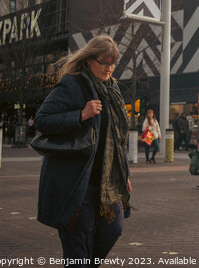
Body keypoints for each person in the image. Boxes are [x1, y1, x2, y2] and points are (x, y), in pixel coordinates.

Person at [35, 34, 131, 267]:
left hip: (107, 182)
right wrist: (80, 115)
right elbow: (42, 120)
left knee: (112, 230)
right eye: (103, 62)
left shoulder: (113, 89)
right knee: (78, 243)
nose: (108, 68)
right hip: (77, 182)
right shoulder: (73, 83)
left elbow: (117, 138)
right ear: (89, 60)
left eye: (112, 63)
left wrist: (125, 175)